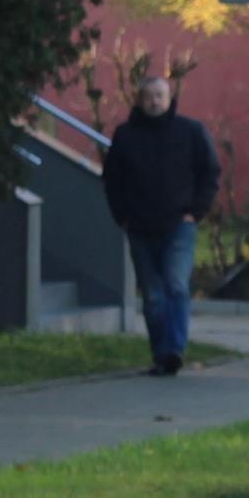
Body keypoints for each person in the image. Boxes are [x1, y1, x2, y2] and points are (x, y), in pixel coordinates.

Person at [102, 72, 221, 377]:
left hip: (179, 223)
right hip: (139, 226)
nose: (154, 102)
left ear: (170, 99)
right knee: (153, 295)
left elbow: (209, 173)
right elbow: (113, 180)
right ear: (139, 100)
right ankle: (161, 354)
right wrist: (122, 217)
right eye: (149, 96)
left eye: (160, 96)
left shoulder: (190, 132)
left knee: (176, 284)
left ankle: (175, 349)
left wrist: (196, 211)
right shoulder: (126, 135)